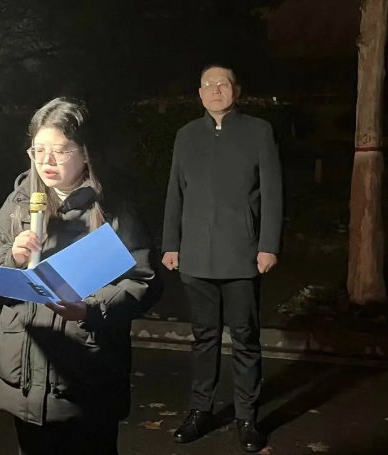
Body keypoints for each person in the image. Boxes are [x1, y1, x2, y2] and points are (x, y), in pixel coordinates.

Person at [0, 97, 161, 455]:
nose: (46, 161)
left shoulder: (115, 207)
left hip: (86, 375)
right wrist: (13, 257)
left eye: (59, 151)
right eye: (38, 150)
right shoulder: (19, 201)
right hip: (24, 372)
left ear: (86, 153)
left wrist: (89, 309)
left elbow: (144, 280)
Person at [161, 63, 283, 453]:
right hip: (196, 254)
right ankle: (200, 411)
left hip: (242, 254)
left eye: (223, 83)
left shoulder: (259, 131)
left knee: (245, 338)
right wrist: (170, 243)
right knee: (204, 338)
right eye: (208, 85)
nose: (216, 90)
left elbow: (273, 193)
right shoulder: (186, 135)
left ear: (237, 90)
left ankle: (247, 417)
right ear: (200, 94)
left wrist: (268, 245)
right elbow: (175, 192)